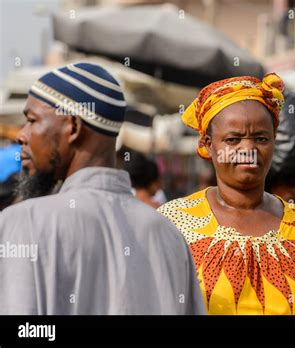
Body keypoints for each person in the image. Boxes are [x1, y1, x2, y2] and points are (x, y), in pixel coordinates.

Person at [0, 63, 205, 315]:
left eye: (32, 120)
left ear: (73, 127)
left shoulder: (24, 222)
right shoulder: (166, 234)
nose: (22, 135)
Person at [158, 73, 295, 315]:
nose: (248, 149)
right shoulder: (173, 222)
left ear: (274, 142)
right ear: (207, 144)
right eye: (233, 139)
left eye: (261, 138)